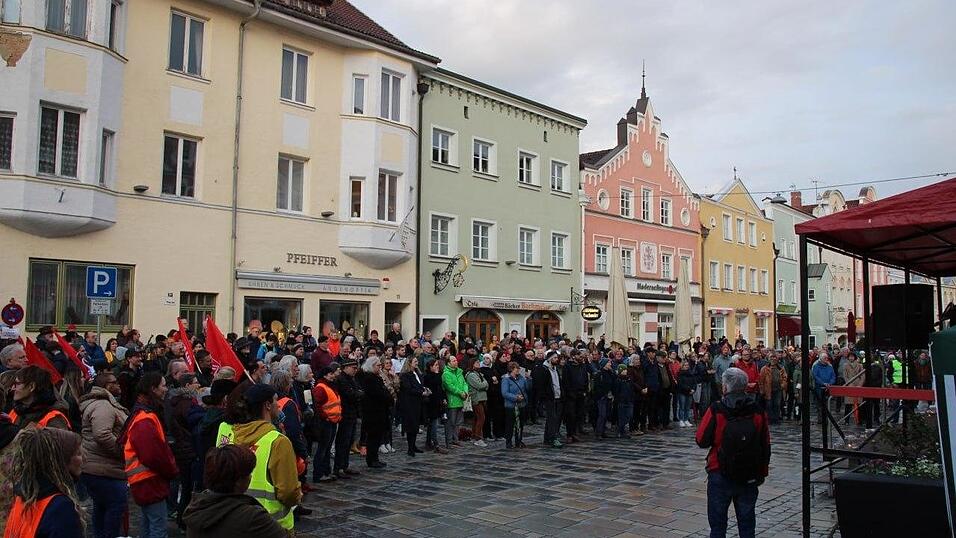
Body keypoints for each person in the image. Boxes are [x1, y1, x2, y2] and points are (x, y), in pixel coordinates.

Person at [696, 368, 771, 538]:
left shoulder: (717, 409)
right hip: (749, 471)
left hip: (719, 470)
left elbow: (701, 440)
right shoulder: (757, 410)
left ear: (725, 387)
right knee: (747, 524)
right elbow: (765, 444)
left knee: (717, 525)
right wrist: (762, 471)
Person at [218, 382, 301, 532]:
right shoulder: (278, 441)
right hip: (272, 526)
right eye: (276, 400)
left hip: (238, 520)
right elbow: (288, 492)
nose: (279, 405)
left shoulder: (234, 433)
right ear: (267, 405)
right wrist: (298, 494)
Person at [182, 445, 287, 538]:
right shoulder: (252, 517)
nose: (250, 477)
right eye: (248, 474)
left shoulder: (195, 508)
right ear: (238, 481)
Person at [121, 372, 179, 538]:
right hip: (149, 480)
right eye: (163, 385)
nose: (166, 389)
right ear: (153, 389)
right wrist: (171, 470)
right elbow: (153, 455)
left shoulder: (142, 414)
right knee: (157, 529)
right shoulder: (145, 418)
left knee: (148, 526)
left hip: (144, 481)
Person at [3, 428, 85, 538]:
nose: (84, 458)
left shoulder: (23, 497)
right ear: (61, 461)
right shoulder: (61, 508)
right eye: (78, 454)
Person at [78, 372, 129, 538]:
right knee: (114, 508)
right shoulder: (103, 406)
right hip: (104, 467)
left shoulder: (105, 404)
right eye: (115, 382)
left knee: (102, 507)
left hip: (100, 466)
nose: (119, 385)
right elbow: (102, 434)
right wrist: (122, 453)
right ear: (107, 386)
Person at [167, 373, 204, 528]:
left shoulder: (176, 401)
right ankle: (183, 521)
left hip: (182, 447)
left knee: (186, 486)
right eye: (196, 383)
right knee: (188, 487)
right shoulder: (186, 403)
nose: (199, 385)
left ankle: (182, 519)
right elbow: (192, 422)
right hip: (187, 448)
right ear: (188, 386)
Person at [357, 358, 393, 469]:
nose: (380, 367)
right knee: (373, 437)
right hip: (373, 412)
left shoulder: (376, 378)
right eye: (378, 365)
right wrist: (387, 397)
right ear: (372, 366)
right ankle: (372, 459)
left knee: (377, 436)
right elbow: (379, 394)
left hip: (380, 411)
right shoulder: (369, 379)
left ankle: (375, 458)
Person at [310, 364, 342, 482]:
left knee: (327, 448)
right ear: (325, 375)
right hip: (326, 422)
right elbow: (317, 406)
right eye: (330, 374)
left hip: (333, 420)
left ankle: (326, 471)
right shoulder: (321, 387)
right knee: (323, 448)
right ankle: (319, 473)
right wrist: (326, 417)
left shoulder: (330, 386)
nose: (333, 375)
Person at [332, 359, 362, 479]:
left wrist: (357, 393)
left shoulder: (351, 379)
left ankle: (344, 465)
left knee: (349, 441)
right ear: (346, 367)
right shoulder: (341, 380)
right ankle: (338, 467)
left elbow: (358, 391)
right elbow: (351, 394)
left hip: (352, 413)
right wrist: (357, 393)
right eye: (353, 368)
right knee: (343, 442)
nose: (355, 370)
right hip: (344, 414)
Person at [532, 351, 563, 448]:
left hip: (557, 396)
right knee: (552, 418)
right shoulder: (543, 369)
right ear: (549, 359)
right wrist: (545, 395)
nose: (556, 360)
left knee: (553, 418)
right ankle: (552, 438)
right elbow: (540, 384)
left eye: (557, 358)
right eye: (554, 358)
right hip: (549, 397)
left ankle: (547, 438)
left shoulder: (555, 369)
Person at [398, 357, 427, 456]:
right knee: (411, 426)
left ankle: (414, 445)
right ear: (409, 363)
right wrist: (421, 392)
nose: (417, 363)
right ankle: (410, 448)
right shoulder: (405, 375)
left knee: (416, 425)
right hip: (409, 403)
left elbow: (420, 385)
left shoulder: (418, 374)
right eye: (415, 361)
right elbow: (408, 389)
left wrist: (425, 390)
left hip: (418, 403)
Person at [441, 355, 469, 449]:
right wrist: (460, 392)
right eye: (453, 361)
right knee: (450, 423)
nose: (456, 362)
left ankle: (455, 439)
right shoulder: (446, 374)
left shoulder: (459, 372)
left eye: (456, 360)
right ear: (448, 363)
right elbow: (449, 386)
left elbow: (464, 383)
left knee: (458, 423)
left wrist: (465, 391)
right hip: (452, 401)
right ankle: (449, 441)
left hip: (460, 400)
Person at [501, 361, 530, 449]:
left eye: (518, 368)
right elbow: (504, 393)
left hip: (521, 404)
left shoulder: (521, 378)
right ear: (511, 369)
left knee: (520, 424)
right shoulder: (506, 379)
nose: (518, 370)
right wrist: (515, 397)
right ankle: (508, 442)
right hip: (511, 406)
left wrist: (529, 379)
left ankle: (519, 441)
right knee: (510, 424)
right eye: (516, 368)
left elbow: (527, 389)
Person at [422, 359, 447, 453]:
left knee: (432, 424)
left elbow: (440, 388)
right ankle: (435, 444)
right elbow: (435, 383)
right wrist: (436, 374)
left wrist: (444, 398)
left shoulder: (437, 375)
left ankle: (429, 442)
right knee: (433, 425)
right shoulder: (428, 376)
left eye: (437, 365)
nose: (437, 366)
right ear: (430, 367)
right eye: (435, 365)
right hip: (431, 403)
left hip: (437, 403)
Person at [758, 354, 788, 425]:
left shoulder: (781, 368)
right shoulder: (764, 368)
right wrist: (762, 390)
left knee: (777, 405)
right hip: (768, 390)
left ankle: (776, 419)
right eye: (771, 357)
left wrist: (783, 384)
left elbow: (785, 377)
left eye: (774, 357)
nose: (773, 359)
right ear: (769, 359)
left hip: (778, 389)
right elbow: (761, 380)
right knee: (769, 405)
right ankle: (770, 419)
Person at [465, 357, 489, 447]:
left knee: (476, 418)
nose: (479, 363)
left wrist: (485, 384)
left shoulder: (478, 373)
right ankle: (478, 438)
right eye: (476, 362)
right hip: (476, 398)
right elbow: (480, 385)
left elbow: (485, 385)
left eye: (479, 362)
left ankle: (474, 436)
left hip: (481, 398)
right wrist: (485, 384)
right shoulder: (471, 375)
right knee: (481, 418)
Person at [676, 359, 697, 427]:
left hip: (690, 392)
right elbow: (680, 384)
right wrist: (689, 389)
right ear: (682, 366)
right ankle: (681, 420)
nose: (686, 366)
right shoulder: (680, 374)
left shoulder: (691, 373)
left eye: (687, 365)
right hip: (682, 392)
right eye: (685, 365)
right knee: (682, 406)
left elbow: (694, 382)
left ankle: (686, 419)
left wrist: (693, 389)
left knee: (687, 407)